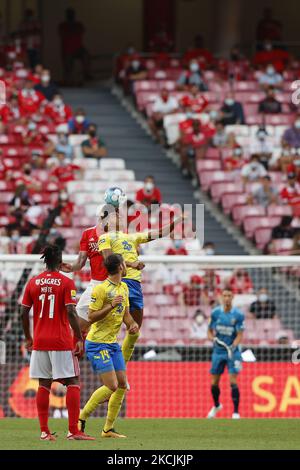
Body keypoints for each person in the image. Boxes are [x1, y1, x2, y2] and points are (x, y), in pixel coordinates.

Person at [20, 244, 94, 441]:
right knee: (72, 381)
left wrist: (28, 337)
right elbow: (71, 311)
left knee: (43, 384)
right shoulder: (65, 282)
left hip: (40, 341)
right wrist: (78, 338)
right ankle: (73, 431)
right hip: (60, 340)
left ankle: (44, 432)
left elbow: (23, 312)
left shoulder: (33, 282)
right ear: (61, 261)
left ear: (45, 260)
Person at [78, 254, 139, 438]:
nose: (127, 265)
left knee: (122, 384)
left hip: (112, 344)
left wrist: (132, 324)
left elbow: (126, 314)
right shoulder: (100, 289)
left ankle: (107, 429)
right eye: (125, 263)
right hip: (97, 343)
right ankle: (81, 418)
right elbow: (90, 317)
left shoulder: (124, 287)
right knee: (112, 385)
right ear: (121, 266)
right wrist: (111, 306)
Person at [61, 206, 108, 334]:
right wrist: (71, 267)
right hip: (96, 283)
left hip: (113, 283)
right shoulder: (88, 234)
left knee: (108, 328)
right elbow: (81, 261)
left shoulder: (119, 235)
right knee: (78, 324)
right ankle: (76, 351)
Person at [207, 288, 244, 419]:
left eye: (229, 295)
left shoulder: (238, 315)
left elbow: (240, 335)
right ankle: (217, 405)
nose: (226, 298)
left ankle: (236, 412)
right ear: (221, 297)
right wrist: (213, 339)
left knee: (232, 380)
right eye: (224, 295)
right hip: (218, 351)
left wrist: (233, 346)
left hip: (232, 352)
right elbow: (209, 332)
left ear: (232, 297)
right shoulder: (215, 313)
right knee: (214, 382)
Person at [58, 8, 90, 84]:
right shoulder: (63, 25)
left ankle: (86, 73)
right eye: (69, 14)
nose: (70, 16)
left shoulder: (78, 24)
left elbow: (81, 31)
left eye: (72, 14)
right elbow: (62, 34)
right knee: (68, 65)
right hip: (67, 49)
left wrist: (71, 32)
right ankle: (68, 80)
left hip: (78, 48)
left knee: (86, 55)